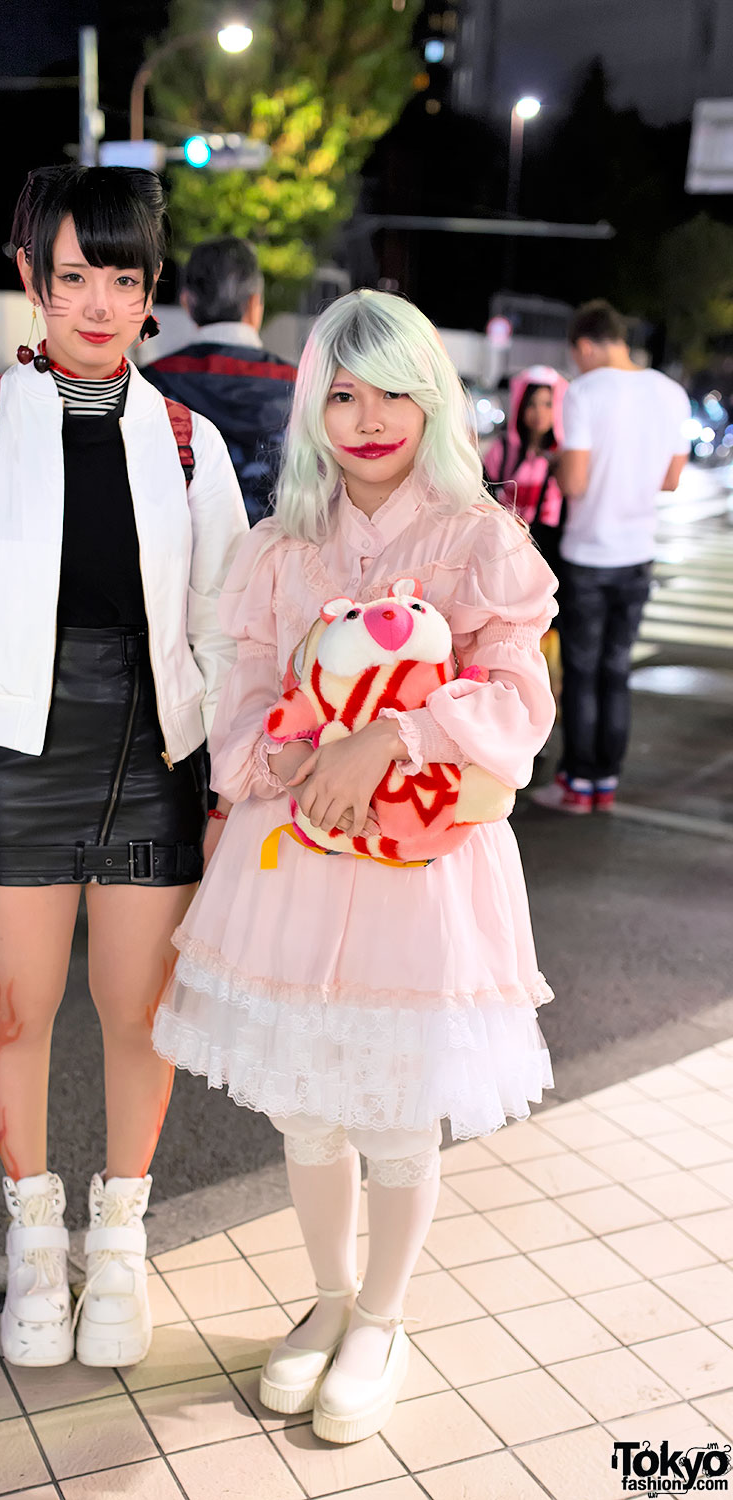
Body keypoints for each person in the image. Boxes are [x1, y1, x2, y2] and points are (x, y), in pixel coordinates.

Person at [152, 289, 557, 1445]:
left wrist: (388, 736)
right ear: (310, 406)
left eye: (390, 392)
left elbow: (518, 705)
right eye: (340, 393)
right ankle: (327, 1303)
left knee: (393, 1115)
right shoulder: (279, 547)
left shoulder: (479, 540)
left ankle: (382, 1318)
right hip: (297, 860)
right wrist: (286, 752)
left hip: (422, 874)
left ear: (430, 397)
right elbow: (234, 711)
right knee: (306, 1111)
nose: (367, 418)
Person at [0, 164, 247, 1372]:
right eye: (72, 276)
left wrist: (229, 782)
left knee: (138, 1011)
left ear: (153, 293)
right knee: (16, 1007)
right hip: (13, 753)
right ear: (32, 280)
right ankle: (35, 1246)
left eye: (122, 278)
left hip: (154, 755)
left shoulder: (194, 445)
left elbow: (225, 634)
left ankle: (119, 1247)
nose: (96, 302)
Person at [533, 300, 690, 815]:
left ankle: (577, 782)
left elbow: (574, 481)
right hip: (638, 554)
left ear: (584, 345)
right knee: (616, 670)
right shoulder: (671, 393)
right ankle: (605, 783)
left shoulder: (584, 392)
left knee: (581, 671)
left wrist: (556, 462)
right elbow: (670, 480)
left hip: (587, 555)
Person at [142, 236, 296, 525]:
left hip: (180, 559)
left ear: (187, 302)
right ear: (254, 304)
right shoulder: (301, 386)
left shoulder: (150, 384)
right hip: (276, 559)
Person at [483, 364, 569, 571]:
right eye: (532, 404)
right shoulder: (502, 450)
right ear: (520, 405)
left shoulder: (565, 454)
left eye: (548, 404)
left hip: (549, 551)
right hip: (504, 547)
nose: (539, 412)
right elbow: (485, 496)